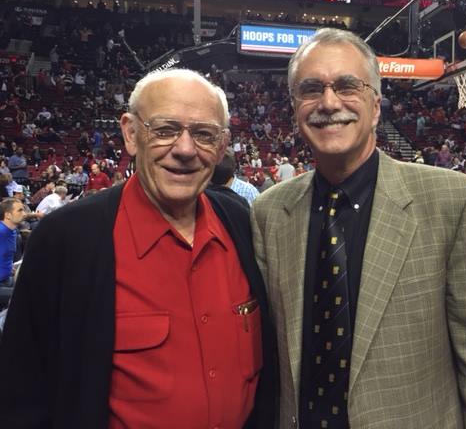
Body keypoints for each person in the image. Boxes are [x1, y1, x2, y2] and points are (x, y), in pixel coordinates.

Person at [251, 28, 466, 428]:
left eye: (347, 86)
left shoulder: (453, 200)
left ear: (376, 106)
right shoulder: (270, 212)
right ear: (295, 107)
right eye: (312, 89)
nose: (329, 103)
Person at [0, 69, 276, 428]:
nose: (185, 149)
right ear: (131, 134)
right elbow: (21, 395)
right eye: (165, 130)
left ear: (222, 146)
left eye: (204, 134)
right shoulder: (65, 239)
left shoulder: (240, 222)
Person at [0, 198, 25, 287]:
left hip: (8, 278)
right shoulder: (1, 231)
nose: (24, 214)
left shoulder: (13, 231)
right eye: (20, 211)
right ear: (8, 215)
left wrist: (9, 267)